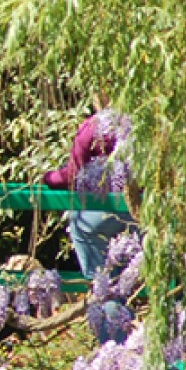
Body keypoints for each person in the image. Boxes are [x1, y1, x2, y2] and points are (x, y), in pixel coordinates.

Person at [43, 108, 138, 278]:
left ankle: (105, 294)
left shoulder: (93, 126)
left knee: (82, 225)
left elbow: (73, 175)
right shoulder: (150, 123)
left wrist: (48, 178)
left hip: (105, 211)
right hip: (145, 214)